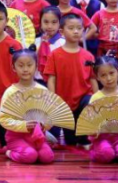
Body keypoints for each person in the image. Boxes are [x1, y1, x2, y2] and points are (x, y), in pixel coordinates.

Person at [45, 13, 97, 146]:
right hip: (64, 104)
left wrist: (98, 99)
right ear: (62, 31)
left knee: (84, 138)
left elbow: (92, 79)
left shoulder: (88, 56)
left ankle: (85, 133)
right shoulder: (54, 55)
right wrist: (53, 100)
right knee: (71, 141)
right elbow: (51, 79)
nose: (76, 31)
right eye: (71, 28)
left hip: (84, 100)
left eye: (79, 28)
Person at [0, 49, 55, 165]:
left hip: (37, 137)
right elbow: (3, 119)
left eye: (29, 65)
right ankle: (9, 152)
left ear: (36, 67)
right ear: (13, 68)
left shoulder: (43, 90)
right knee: (30, 156)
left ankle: (33, 150)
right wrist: (23, 125)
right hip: (16, 137)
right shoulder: (10, 92)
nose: (25, 69)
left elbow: (51, 116)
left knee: (47, 157)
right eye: (21, 66)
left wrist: (45, 125)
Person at [87, 56, 118, 165]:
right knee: (106, 154)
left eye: (111, 73)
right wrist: (94, 129)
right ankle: (98, 150)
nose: (108, 78)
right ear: (97, 77)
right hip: (102, 138)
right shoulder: (95, 98)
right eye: (103, 75)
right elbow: (90, 123)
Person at [33, 7, 66, 83]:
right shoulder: (35, 42)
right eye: (46, 22)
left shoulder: (64, 43)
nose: (49, 26)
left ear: (59, 23)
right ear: (40, 23)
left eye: (54, 22)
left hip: (58, 82)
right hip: (38, 82)